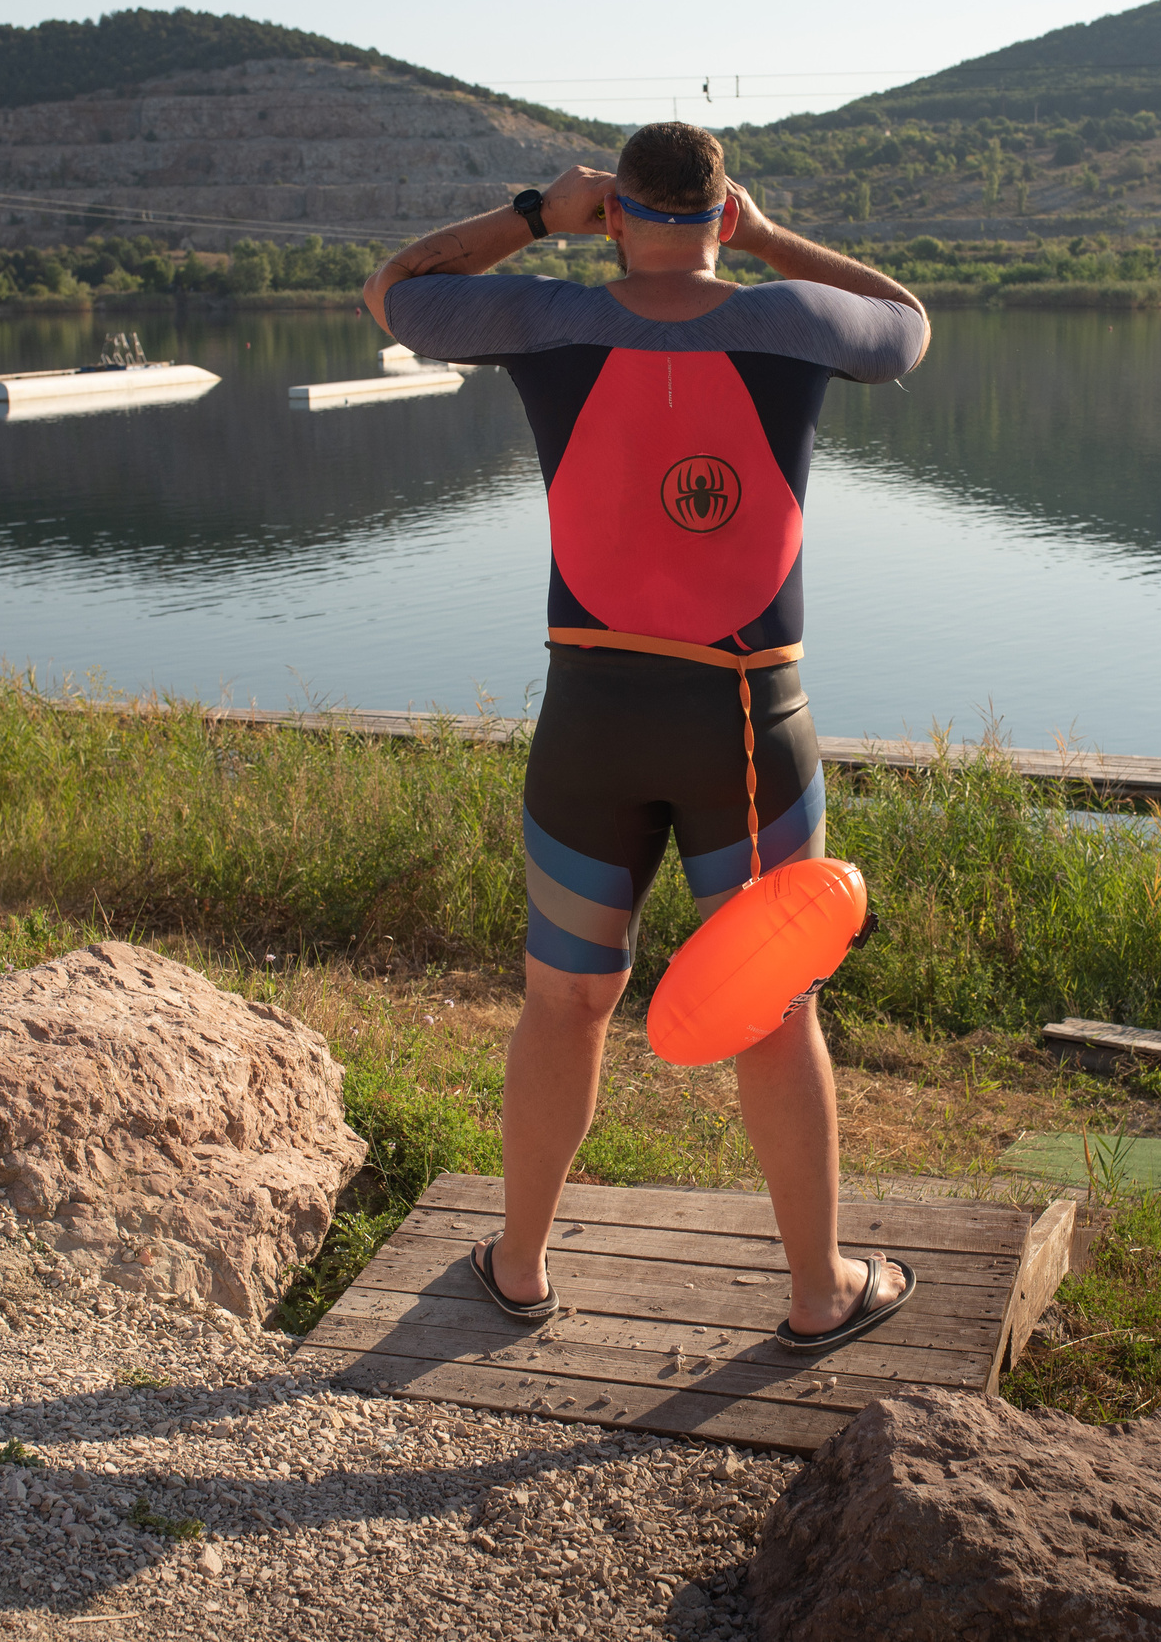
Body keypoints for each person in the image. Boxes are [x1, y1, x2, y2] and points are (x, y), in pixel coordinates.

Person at [362, 121, 930, 1355]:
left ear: (609, 212)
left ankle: (517, 1266)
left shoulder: (545, 323)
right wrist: (771, 239)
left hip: (590, 715)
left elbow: (396, 293)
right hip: (742, 715)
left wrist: (530, 212)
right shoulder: (793, 323)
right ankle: (817, 1290)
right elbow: (909, 319)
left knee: (563, 999)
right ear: (723, 215)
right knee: (776, 1012)